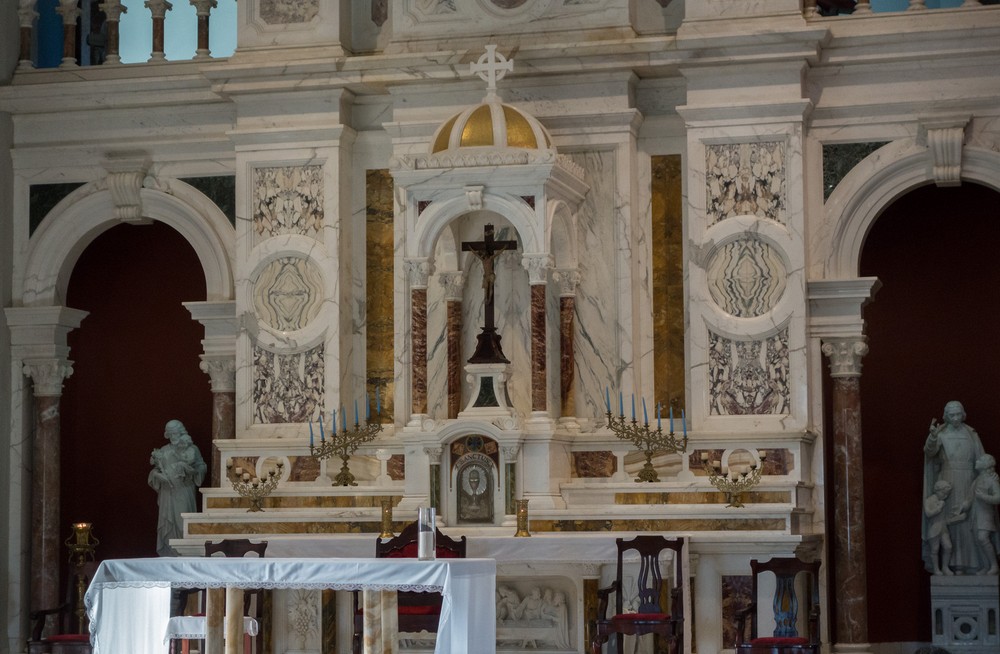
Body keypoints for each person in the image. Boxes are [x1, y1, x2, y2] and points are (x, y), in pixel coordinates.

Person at [923, 401, 987, 574]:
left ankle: (970, 564)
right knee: (950, 522)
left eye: (959, 414)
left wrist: (987, 475)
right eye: (952, 415)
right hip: (948, 482)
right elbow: (929, 452)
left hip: (968, 481)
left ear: (963, 414)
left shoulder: (971, 433)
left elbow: (981, 459)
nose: (956, 418)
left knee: (967, 522)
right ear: (946, 416)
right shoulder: (941, 433)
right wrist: (933, 436)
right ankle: (951, 565)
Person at [148, 420, 207, 556]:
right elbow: (155, 471)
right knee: (167, 523)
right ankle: (169, 553)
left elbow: (201, 466)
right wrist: (157, 475)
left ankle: (185, 553)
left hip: (184, 490)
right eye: (170, 433)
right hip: (167, 493)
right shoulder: (163, 450)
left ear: (181, 432)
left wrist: (190, 471)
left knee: (182, 522)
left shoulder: (191, 449)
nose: (173, 436)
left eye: (175, 432)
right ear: (167, 434)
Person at [971, 454, 1000, 575]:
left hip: (986, 514)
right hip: (976, 514)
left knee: (983, 538)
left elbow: (998, 498)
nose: (977, 461)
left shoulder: (992, 480)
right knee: (978, 540)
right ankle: (986, 565)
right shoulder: (977, 479)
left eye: (981, 460)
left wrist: (983, 497)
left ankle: (994, 565)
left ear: (986, 465)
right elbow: (971, 496)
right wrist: (964, 506)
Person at [924, 480, 954, 575]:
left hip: (943, 528)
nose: (945, 496)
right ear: (937, 490)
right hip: (933, 528)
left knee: (948, 547)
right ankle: (936, 569)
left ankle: (945, 567)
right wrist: (939, 508)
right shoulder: (929, 500)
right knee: (935, 549)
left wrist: (958, 518)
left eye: (947, 494)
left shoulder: (943, 501)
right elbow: (928, 514)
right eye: (944, 493)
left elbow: (945, 518)